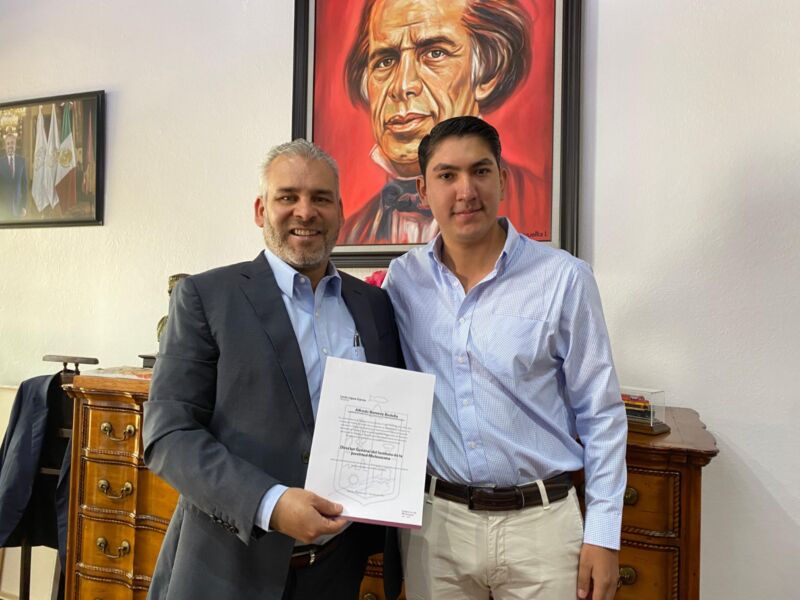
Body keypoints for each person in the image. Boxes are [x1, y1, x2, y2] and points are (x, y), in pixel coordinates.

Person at [142, 139, 404, 599]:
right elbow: (169, 434)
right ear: (261, 210)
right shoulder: (206, 297)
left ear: (341, 211)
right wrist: (271, 503)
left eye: (321, 198)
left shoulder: (374, 304)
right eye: (288, 197)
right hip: (229, 567)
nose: (306, 211)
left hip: (337, 570)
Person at [383, 116, 627, 600]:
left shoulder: (563, 278)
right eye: (447, 175)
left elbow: (601, 413)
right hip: (438, 528)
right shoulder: (403, 281)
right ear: (423, 189)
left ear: (503, 179)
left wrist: (603, 535)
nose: (466, 191)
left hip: (542, 528)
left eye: (480, 171)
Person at [338, 0, 548, 245]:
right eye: (386, 61)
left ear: (489, 72)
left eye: (435, 53)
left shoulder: (537, 200)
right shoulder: (349, 232)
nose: (402, 86)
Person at [0, 133, 28, 219]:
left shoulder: (22, 161)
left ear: (15, 145)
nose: (10, 145)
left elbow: (24, 185)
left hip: (18, 207)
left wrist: (24, 206)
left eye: (12, 143)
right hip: (3, 207)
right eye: (8, 143)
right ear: (5, 146)